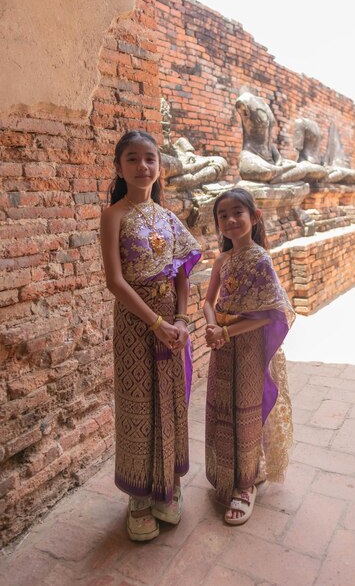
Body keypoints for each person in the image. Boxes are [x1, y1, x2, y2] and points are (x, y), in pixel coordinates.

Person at [100, 130, 201, 541]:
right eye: (133, 159)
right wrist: (156, 325)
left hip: (170, 326)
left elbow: (182, 273)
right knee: (138, 404)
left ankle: (168, 490)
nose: (143, 167)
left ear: (159, 167)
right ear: (119, 167)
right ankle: (139, 498)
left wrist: (179, 321)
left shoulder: (168, 216)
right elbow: (115, 282)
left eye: (150, 159)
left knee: (172, 402)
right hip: (134, 323)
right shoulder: (114, 216)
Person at [203, 187, 295, 525]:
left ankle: (245, 484)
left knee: (247, 410)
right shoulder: (222, 260)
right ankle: (226, 472)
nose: (229, 220)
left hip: (249, 347)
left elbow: (270, 313)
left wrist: (225, 331)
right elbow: (208, 301)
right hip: (222, 347)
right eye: (222, 215)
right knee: (222, 406)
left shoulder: (259, 259)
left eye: (237, 212)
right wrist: (212, 327)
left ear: (254, 217)